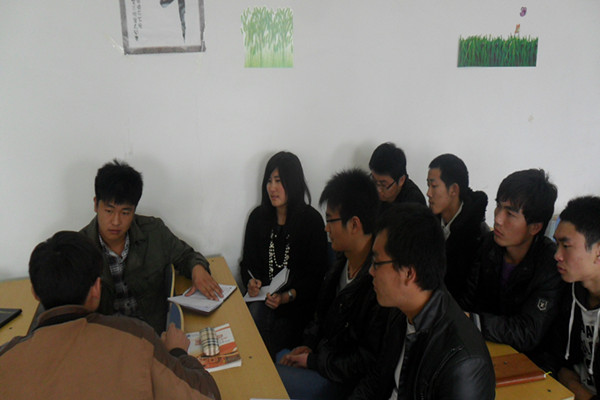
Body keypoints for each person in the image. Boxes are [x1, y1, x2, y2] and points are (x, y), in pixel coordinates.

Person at [0, 231, 221, 400]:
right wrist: (177, 353)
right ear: (96, 289)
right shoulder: (136, 337)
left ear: (35, 293)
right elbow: (205, 395)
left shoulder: (6, 358)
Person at [349, 203, 495, 400]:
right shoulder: (400, 311)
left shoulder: (464, 364)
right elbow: (376, 381)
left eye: (376, 263)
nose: (370, 272)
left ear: (409, 273)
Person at [277, 169, 388, 400]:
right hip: (325, 362)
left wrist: (314, 361)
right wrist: (309, 346)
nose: (326, 228)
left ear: (354, 224)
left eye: (330, 220)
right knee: (278, 360)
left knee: (271, 380)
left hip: (345, 383)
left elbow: (365, 362)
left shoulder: (379, 283)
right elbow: (320, 318)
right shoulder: (341, 263)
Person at [80, 160, 221, 334]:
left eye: (125, 212)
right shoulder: (79, 248)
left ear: (134, 210)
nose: (116, 221)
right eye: (109, 211)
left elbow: (186, 256)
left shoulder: (153, 232)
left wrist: (197, 269)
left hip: (153, 332)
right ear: (96, 204)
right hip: (106, 338)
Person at [460, 169, 564, 365]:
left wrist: (474, 321)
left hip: (529, 364)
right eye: (498, 206)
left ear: (535, 227)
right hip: (483, 351)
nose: (498, 219)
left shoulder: (550, 265)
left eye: (510, 213)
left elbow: (528, 332)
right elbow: (468, 300)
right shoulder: (488, 245)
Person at [240, 151, 329, 358]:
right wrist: (251, 283)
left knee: (261, 332)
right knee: (253, 318)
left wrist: (287, 297)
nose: (272, 188)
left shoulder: (312, 221)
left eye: (278, 181)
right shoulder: (257, 218)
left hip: (297, 308)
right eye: (269, 181)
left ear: (293, 183)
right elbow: (247, 264)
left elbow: (316, 277)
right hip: (262, 302)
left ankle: (261, 368)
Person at [550, 196, 600, 399]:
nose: (557, 255)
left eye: (566, 246)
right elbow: (556, 358)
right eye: (557, 245)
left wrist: (574, 387)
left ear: (598, 252)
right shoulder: (569, 290)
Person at [426, 154, 488, 298]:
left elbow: (470, 296)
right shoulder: (427, 222)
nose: (428, 193)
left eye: (434, 186)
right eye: (428, 185)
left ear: (454, 189)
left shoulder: (478, 237)